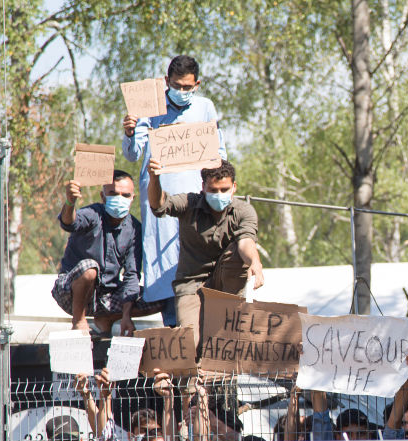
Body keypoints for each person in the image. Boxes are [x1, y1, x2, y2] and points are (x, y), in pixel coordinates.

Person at [122, 54, 227, 325]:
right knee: (163, 261)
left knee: (196, 258)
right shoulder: (150, 108)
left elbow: (219, 154)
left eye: (187, 87)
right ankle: (173, 329)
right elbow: (133, 155)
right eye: (176, 86)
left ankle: (201, 326)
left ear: (197, 84)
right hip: (160, 198)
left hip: (194, 199)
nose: (181, 92)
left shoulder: (205, 108)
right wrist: (130, 132)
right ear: (166, 81)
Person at [147, 157, 264, 343]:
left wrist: (255, 262)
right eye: (213, 190)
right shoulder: (189, 203)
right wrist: (154, 178)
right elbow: (159, 205)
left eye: (224, 190)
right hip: (191, 285)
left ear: (234, 187)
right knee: (190, 344)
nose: (219, 194)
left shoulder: (244, 211)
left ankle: (230, 308)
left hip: (227, 283)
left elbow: (245, 242)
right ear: (203, 187)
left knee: (239, 253)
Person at [52, 170, 161, 335]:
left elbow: (131, 275)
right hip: (71, 293)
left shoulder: (134, 228)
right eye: (113, 194)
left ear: (133, 198)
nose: (119, 199)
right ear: (103, 197)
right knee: (89, 268)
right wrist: (70, 202)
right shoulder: (94, 214)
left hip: (107, 296)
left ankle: (107, 318)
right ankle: (78, 322)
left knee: (160, 296)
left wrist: (126, 316)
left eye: (125, 195)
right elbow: (69, 223)